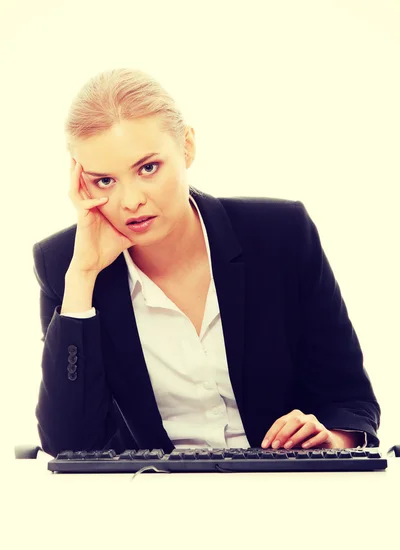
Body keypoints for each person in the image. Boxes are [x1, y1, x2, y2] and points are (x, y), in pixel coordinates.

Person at [33, 68, 380, 457]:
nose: (130, 201)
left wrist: (331, 440)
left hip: (283, 485)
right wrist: (82, 278)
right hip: (152, 496)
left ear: (187, 147)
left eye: (148, 168)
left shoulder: (281, 234)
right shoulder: (64, 263)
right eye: (104, 182)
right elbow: (68, 446)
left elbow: (350, 397)